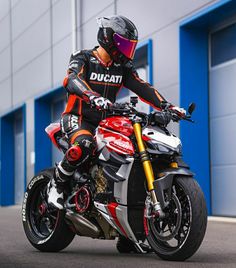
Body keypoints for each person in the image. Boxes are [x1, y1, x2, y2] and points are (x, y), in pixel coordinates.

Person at [47, 15, 185, 209]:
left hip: (108, 120)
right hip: (79, 118)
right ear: (108, 38)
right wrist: (91, 96)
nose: (127, 51)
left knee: (134, 148)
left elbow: (142, 86)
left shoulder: (122, 67)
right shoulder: (83, 57)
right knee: (84, 144)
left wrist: (167, 106)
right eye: (124, 45)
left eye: (130, 46)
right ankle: (58, 184)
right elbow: (72, 80)